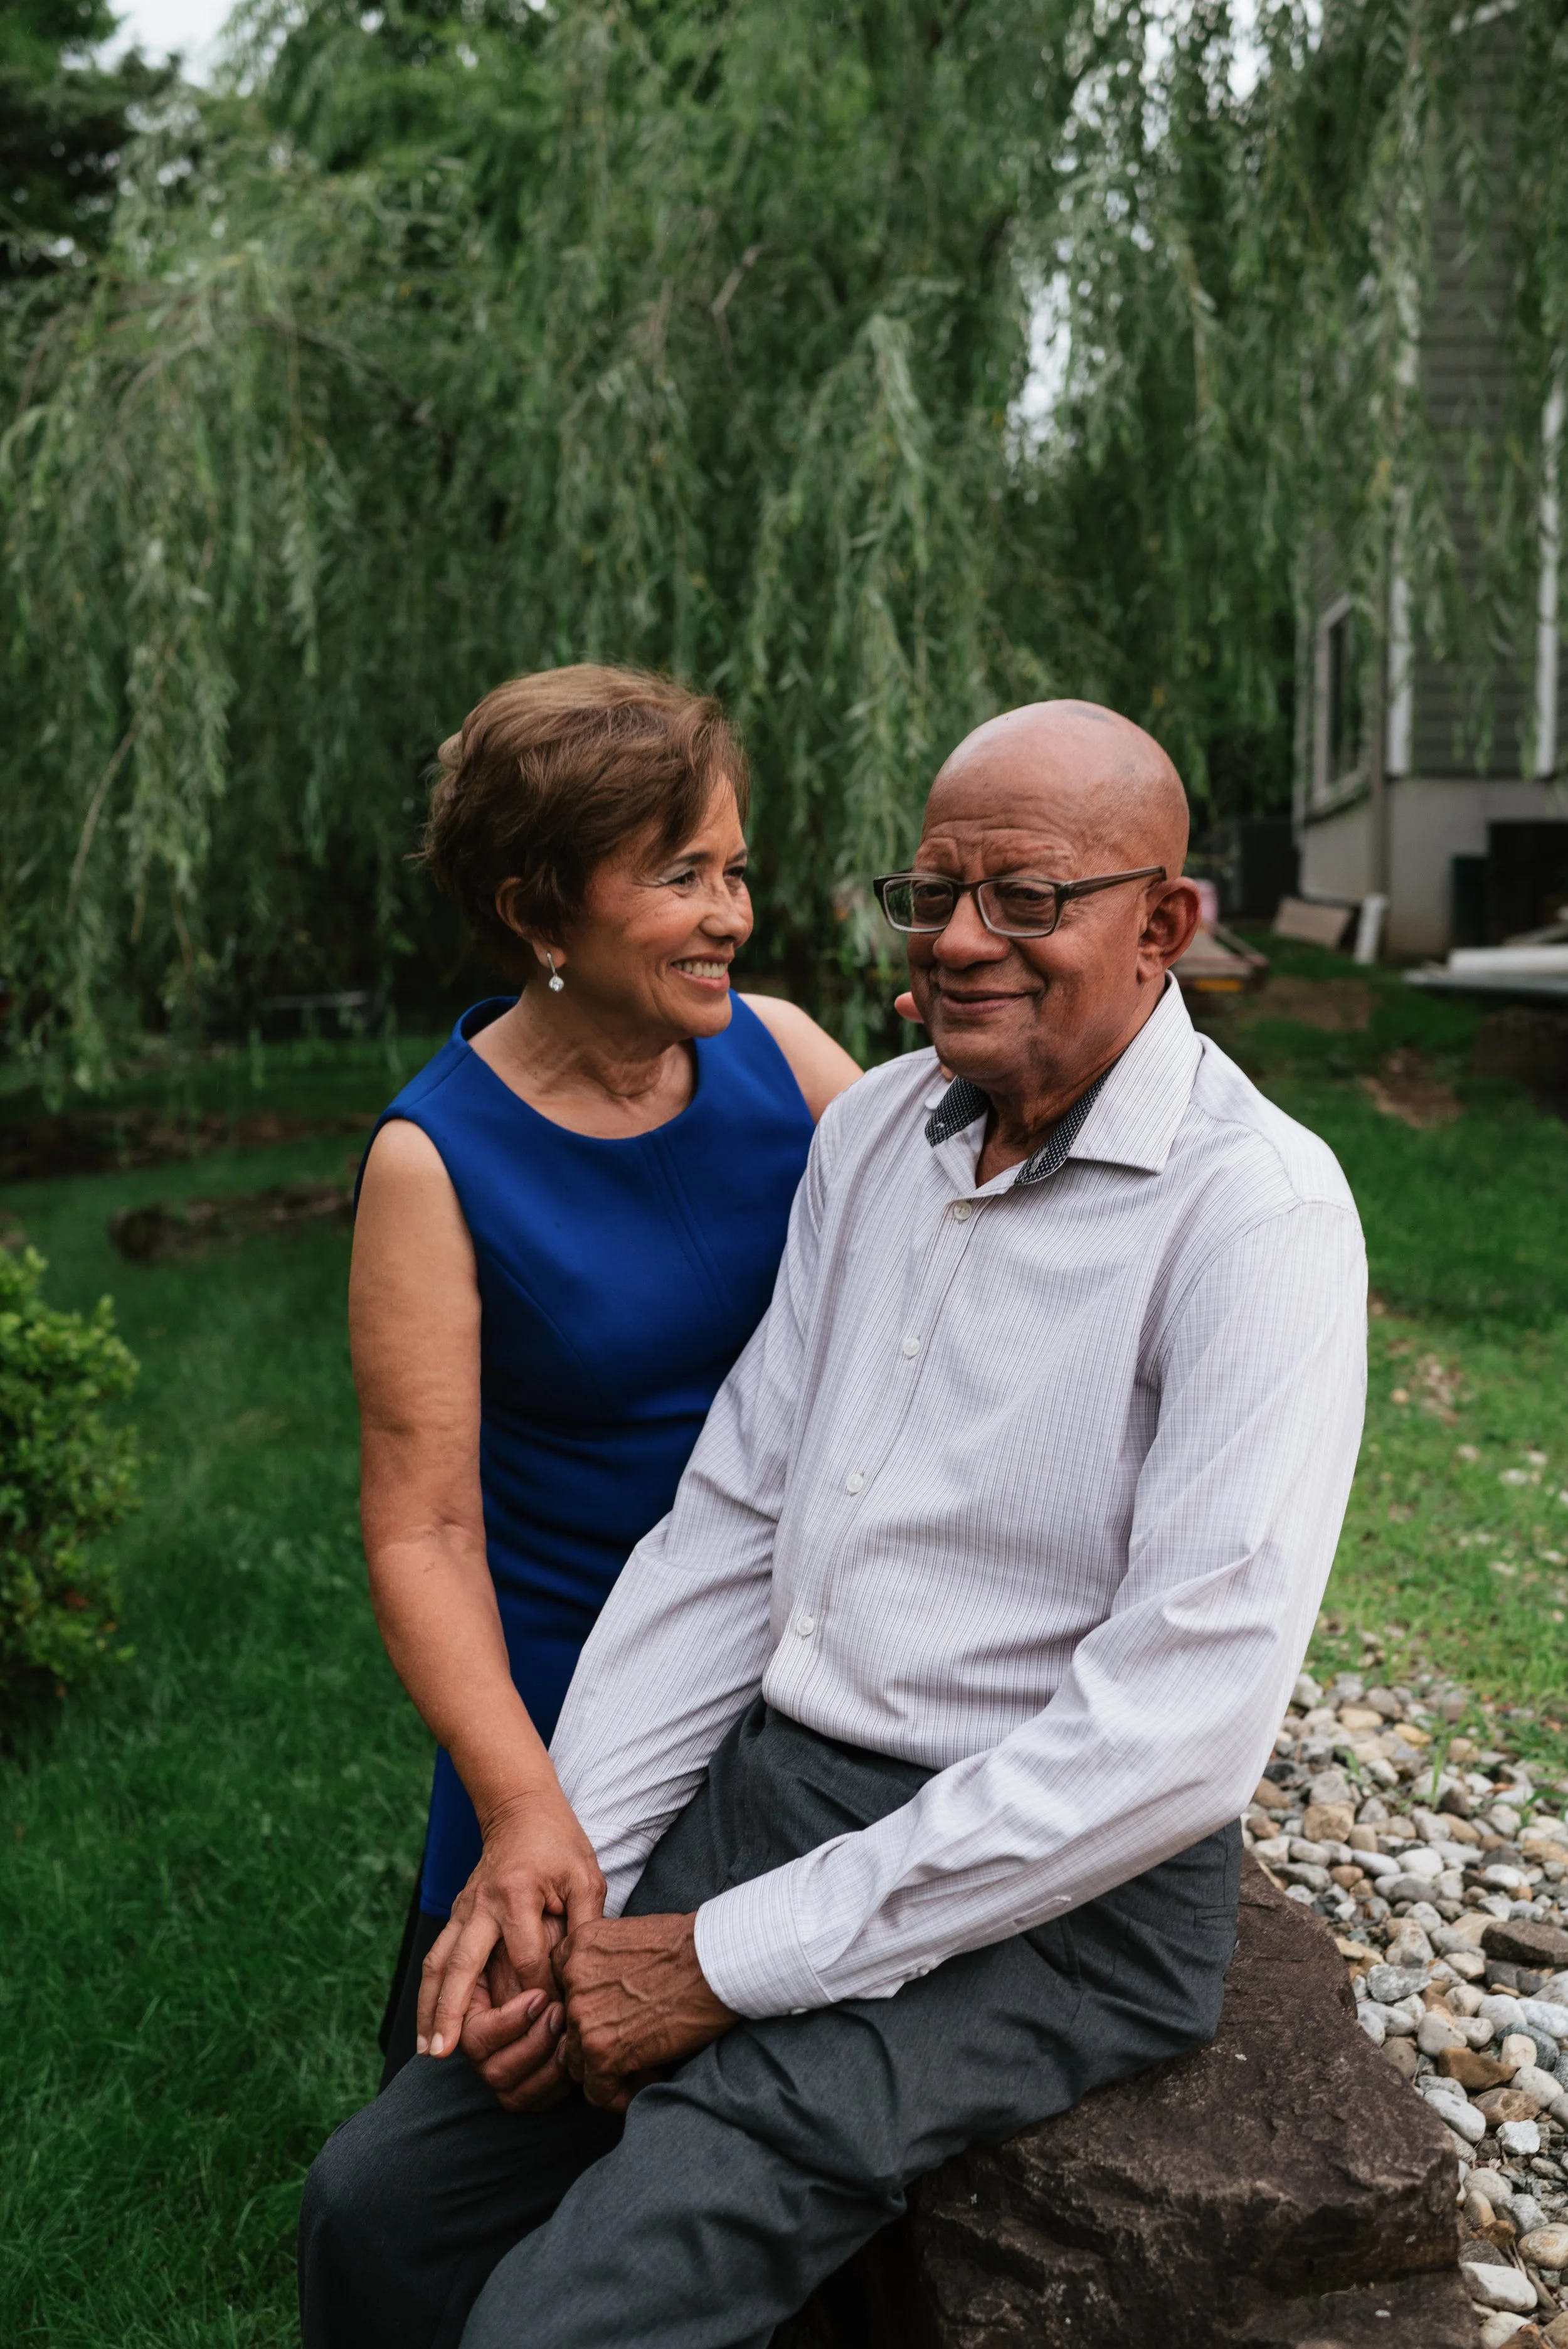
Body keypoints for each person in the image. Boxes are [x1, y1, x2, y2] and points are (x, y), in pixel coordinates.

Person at [302, 698, 1367, 2349]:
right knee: (373, 2209)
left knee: (564, 2320)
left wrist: (717, 1962)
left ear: (1163, 927)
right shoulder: (873, 1132)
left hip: (1063, 1888)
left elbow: (1177, 1736)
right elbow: (729, 1531)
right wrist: (576, 1858)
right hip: (777, 1785)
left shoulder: (1257, 1213)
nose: (955, 940)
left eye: (1023, 900)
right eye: (929, 892)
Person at [351, 664, 859, 2082]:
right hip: (568, 1700)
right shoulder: (432, 1162)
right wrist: (522, 1802)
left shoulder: (793, 1060)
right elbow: (423, 1530)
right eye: (677, 875)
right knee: (479, 2094)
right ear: (533, 910)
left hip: (793, 1660)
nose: (731, 916)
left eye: (735, 869)